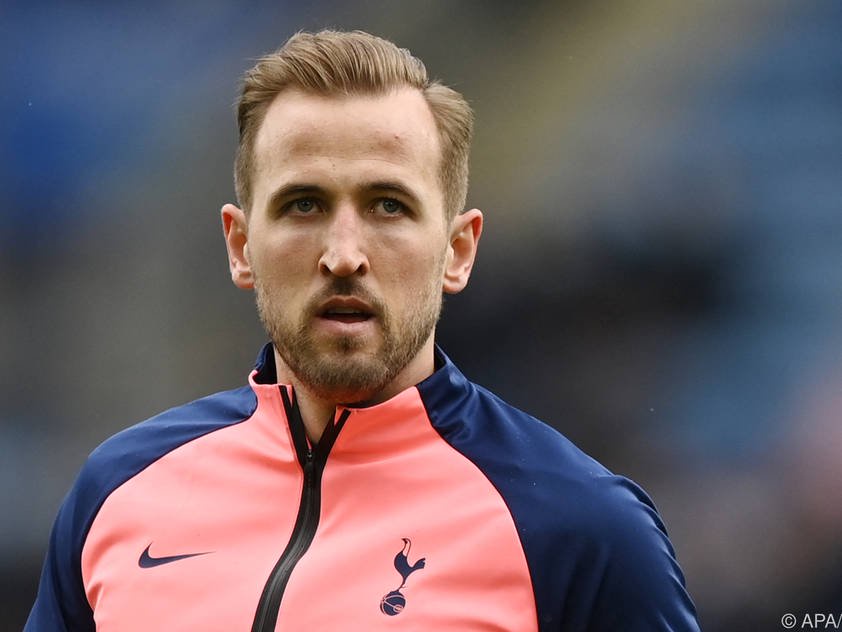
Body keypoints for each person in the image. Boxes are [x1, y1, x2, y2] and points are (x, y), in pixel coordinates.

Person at [26, 30, 700, 631]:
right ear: (240, 246)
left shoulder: (579, 532)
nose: (344, 254)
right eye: (303, 204)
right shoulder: (118, 491)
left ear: (458, 251)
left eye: (388, 205)